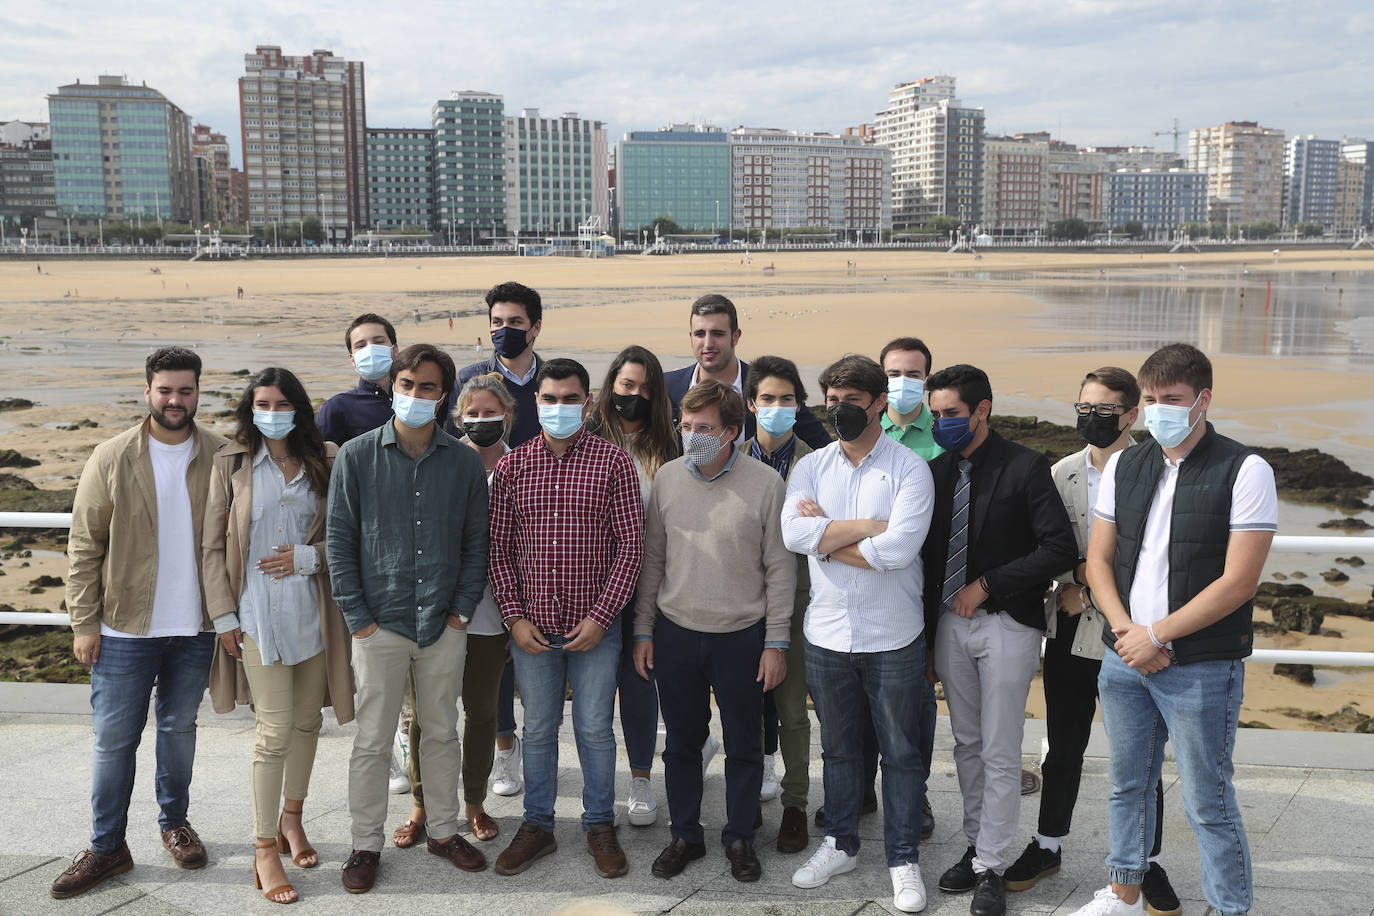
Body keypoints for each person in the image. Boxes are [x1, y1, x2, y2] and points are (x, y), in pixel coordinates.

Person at [1071, 344, 1276, 916]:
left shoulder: (1245, 470)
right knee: (1126, 785)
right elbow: (1098, 562)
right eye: (1151, 399)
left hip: (1202, 665)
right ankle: (1123, 893)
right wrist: (1127, 634)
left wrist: (1157, 635)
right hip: (1124, 657)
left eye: (1172, 399)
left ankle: (1230, 908)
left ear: (1202, 399)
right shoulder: (1124, 465)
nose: (1159, 409)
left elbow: (1239, 581)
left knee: (1208, 799)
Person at [1002, 368, 1179, 916]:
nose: (1092, 418)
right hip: (1070, 634)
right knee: (1063, 745)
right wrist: (1075, 580)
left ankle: (1146, 861)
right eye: (1084, 408)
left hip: (1135, 637)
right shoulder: (1061, 473)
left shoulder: (1159, 469)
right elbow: (1045, 549)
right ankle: (1048, 844)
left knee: (1142, 757)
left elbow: (1159, 560)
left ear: (1131, 414)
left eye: (1105, 410)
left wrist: (1088, 591)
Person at [53, 348, 227, 899]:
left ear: (198, 392)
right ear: (147, 391)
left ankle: (174, 824)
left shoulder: (222, 454)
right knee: (113, 743)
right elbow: (84, 545)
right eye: (165, 390)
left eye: (185, 390)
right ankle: (107, 847)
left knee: (179, 730)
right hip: (123, 627)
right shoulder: (111, 456)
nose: (175, 400)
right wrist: (84, 621)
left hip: (196, 627)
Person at [326, 344, 491, 893]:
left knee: (442, 732)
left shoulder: (463, 462)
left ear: (442, 396)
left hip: (443, 623)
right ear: (392, 387)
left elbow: (475, 543)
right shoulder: (356, 456)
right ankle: (364, 844)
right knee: (373, 740)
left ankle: (444, 831)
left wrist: (461, 612)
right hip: (379, 622)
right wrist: (359, 619)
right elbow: (340, 542)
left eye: (427, 387)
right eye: (406, 384)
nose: (415, 395)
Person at [782, 355, 936, 914]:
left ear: (878, 404)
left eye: (851, 401)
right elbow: (792, 534)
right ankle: (841, 843)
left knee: (901, 753)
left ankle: (902, 858)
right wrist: (868, 529)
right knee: (840, 749)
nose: (839, 410)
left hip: (893, 635)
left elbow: (898, 551)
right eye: (832, 401)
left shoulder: (909, 469)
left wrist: (826, 538)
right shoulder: (812, 466)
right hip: (826, 633)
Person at [921, 364, 1077, 916]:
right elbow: (926, 558)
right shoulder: (934, 472)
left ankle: (992, 864)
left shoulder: (1026, 466)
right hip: (947, 626)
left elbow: (1058, 548)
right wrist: (926, 642)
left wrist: (987, 585)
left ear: (982, 410)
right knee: (965, 743)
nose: (941, 422)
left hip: (1008, 624)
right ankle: (975, 846)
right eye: (935, 414)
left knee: (999, 746)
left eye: (951, 413)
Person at [202, 367, 355, 904]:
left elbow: (349, 535)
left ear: (299, 408)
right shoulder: (231, 463)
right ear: (251, 408)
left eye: (283, 403)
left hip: (314, 616)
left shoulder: (327, 459)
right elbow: (211, 548)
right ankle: (264, 847)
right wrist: (223, 617)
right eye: (263, 403)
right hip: (255, 619)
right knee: (273, 732)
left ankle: (293, 817)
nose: (272, 412)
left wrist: (309, 558)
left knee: (309, 723)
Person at [487, 358, 643, 879]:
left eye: (570, 399)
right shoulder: (514, 467)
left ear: (588, 402)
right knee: (538, 728)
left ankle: (599, 823)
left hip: (596, 626)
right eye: (550, 399)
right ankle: (537, 825)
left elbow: (631, 548)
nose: (559, 407)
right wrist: (513, 618)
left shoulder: (614, 463)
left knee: (595, 727)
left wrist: (602, 617)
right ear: (536, 403)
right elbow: (499, 550)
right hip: (532, 628)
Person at [634, 379, 794, 883]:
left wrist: (776, 643)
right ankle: (685, 834)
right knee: (682, 744)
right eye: (686, 426)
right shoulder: (667, 479)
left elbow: (780, 569)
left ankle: (740, 836)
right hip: (676, 633)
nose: (692, 436)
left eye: (703, 428)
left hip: (742, 637)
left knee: (745, 743)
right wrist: (643, 631)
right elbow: (653, 560)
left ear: (731, 431)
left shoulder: (766, 484)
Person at [391, 373, 518, 850]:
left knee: (482, 713)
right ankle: (422, 804)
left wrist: (517, 619)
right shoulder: (440, 460)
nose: (482, 420)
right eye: (473, 413)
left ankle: (474, 803)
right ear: (458, 416)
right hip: (436, 611)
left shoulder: (520, 466)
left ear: (508, 415)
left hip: (492, 615)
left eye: (491, 412)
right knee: (428, 715)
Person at [588, 345, 681, 828]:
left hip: (649, 586)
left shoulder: (669, 447)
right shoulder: (587, 440)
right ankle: (597, 782)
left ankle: (641, 777)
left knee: (640, 680)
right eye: (627, 385)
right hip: (593, 584)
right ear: (611, 386)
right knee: (597, 686)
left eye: (646, 388)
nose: (635, 395)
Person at [740, 355, 816, 854]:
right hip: (741, 604)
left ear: (799, 405)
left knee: (792, 712)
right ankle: (746, 797)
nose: (777, 406)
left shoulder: (817, 463)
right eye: (767, 398)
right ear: (751, 404)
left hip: (799, 604)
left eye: (787, 399)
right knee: (744, 710)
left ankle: (795, 804)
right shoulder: (733, 460)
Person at [878, 336, 943, 841]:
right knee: (858, 704)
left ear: (927, 379)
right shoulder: (860, 429)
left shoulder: (943, 437)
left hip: (923, 591)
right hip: (863, 586)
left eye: (913, 374)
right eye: (894, 373)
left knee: (917, 705)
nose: (903, 382)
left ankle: (914, 793)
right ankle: (858, 789)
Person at [664, 293, 830, 448]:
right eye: (700, 334)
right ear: (691, 336)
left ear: (735, 336)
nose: (708, 344)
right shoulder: (668, 387)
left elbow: (823, 447)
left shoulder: (767, 386)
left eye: (718, 334)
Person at [459, 281, 546, 447]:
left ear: (536, 327)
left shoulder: (552, 382)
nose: (505, 330)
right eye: (497, 322)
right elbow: (453, 442)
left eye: (515, 322)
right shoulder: (467, 379)